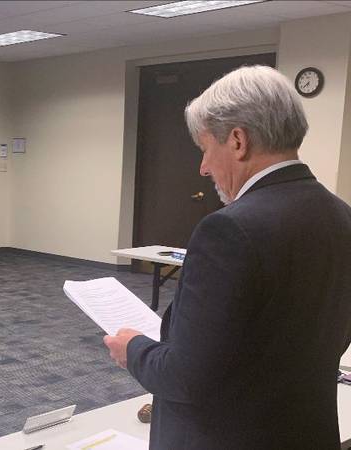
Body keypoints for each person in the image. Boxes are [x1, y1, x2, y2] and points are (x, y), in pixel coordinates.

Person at [103, 65, 351, 449]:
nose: (203, 167)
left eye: (205, 149)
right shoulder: (341, 215)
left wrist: (132, 348)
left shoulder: (229, 230)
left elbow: (186, 376)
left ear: (238, 141)